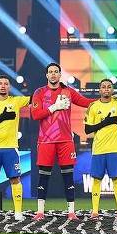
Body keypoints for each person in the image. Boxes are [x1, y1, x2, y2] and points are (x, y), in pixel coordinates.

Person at [30, 63, 95, 220]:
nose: (53, 74)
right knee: (43, 176)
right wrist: (54, 107)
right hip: (46, 140)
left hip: (66, 140)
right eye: (50, 72)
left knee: (68, 176)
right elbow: (35, 115)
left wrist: (108, 100)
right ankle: (40, 212)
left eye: (56, 72)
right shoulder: (39, 92)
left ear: (60, 75)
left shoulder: (68, 91)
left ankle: (71, 212)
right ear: (46, 75)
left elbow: (86, 102)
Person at [0, 75, 30, 221]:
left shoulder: (16, 101)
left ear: (9, 87)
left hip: (11, 148)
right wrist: (3, 116)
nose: (3, 86)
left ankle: (18, 212)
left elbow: (35, 98)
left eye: (6, 84)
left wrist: (52, 88)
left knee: (15, 179)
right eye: (0, 83)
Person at [84, 78, 117, 220]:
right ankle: (94, 212)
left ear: (112, 90)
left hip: (115, 149)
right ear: (99, 90)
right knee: (96, 180)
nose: (106, 89)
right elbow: (87, 129)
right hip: (98, 150)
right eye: (103, 87)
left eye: (109, 87)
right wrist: (105, 122)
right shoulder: (93, 106)